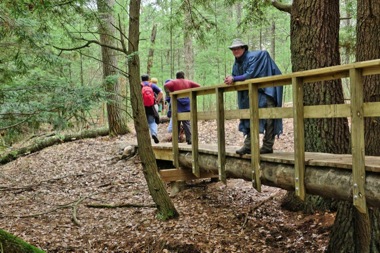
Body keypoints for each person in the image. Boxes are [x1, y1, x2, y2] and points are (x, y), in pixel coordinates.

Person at [224, 38, 283, 155]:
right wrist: (230, 78)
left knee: (269, 119)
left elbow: (249, 74)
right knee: (251, 116)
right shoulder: (236, 63)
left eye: (238, 48)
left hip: (267, 91)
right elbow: (236, 75)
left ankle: (267, 146)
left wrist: (234, 79)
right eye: (233, 49)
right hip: (253, 94)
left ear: (244, 48)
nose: (235, 51)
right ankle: (249, 145)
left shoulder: (252, 57)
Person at [164, 71, 201, 145]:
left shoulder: (174, 82)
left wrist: (169, 93)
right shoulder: (188, 82)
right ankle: (189, 139)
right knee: (186, 122)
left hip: (177, 104)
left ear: (176, 76)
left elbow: (166, 85)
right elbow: (198, 86)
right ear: (183, 76)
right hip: (187, 103)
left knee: (176, 123)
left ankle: (175, 140)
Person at [141, 74, 163, 144]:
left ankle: (144, 140)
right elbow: (161, 93)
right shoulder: (151, 85)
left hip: (142, 107)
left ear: (141, 79)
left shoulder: (139, 85)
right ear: (148, 79)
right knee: (152, 121)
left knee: (143, 122)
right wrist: (157, 101)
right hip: (151, 106)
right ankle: (154, 134)